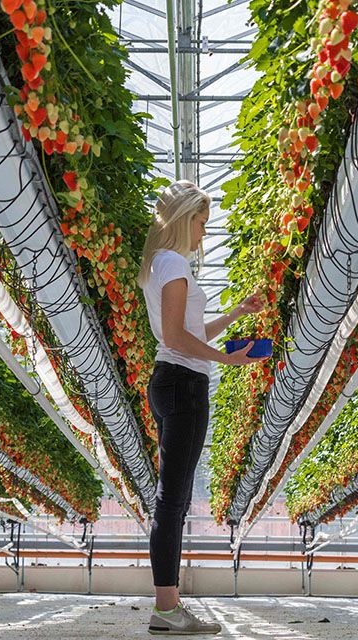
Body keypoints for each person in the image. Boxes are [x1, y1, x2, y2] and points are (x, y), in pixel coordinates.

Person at [137, 179, 268, 635]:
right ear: (183, 218)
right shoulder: (173, 262)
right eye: (201, 222)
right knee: (171, 501)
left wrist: (235, 315)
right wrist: (226, 360)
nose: (204, 233)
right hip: (183, 384)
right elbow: (177, 339)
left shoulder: (163, 265)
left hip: (171, 380)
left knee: (171, 499)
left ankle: (168, 607)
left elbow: (187, 331)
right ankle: (167, 609)